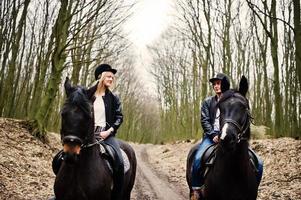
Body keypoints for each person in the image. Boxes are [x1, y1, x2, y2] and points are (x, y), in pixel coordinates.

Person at [190, 73, 230, 200]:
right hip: (210, 137)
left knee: (256, 162)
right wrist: (213, 134)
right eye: (214, 84)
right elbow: (205, 120)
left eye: (218, 83)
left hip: (228, 138)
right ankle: (196, 190)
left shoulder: (231, 101)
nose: (216, 86)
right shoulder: (207, 102)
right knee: (197, 159)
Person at [87, 63, 124, 200]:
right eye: (108, 76)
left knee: (119, 162)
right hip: (87, 135)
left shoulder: (114, 98)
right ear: (100, 77)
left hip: (106, 135)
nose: (111, 79)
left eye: (112, 77)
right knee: (63, 158)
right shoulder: (86, 95)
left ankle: (117, 196)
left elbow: (119, 117)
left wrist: (109, 131)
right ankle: (59, 193)